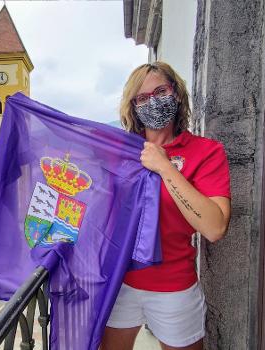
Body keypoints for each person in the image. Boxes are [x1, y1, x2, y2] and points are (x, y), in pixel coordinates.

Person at [100, 62, 231, 350]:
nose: (153, 101)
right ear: (133, 107)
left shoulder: (206, 152)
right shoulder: (120, 153)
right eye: (142, 98)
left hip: (174, 289)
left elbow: (214, 227)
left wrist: (165, 167)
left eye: (161, 91)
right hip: (119, 283)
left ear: (177, 94)